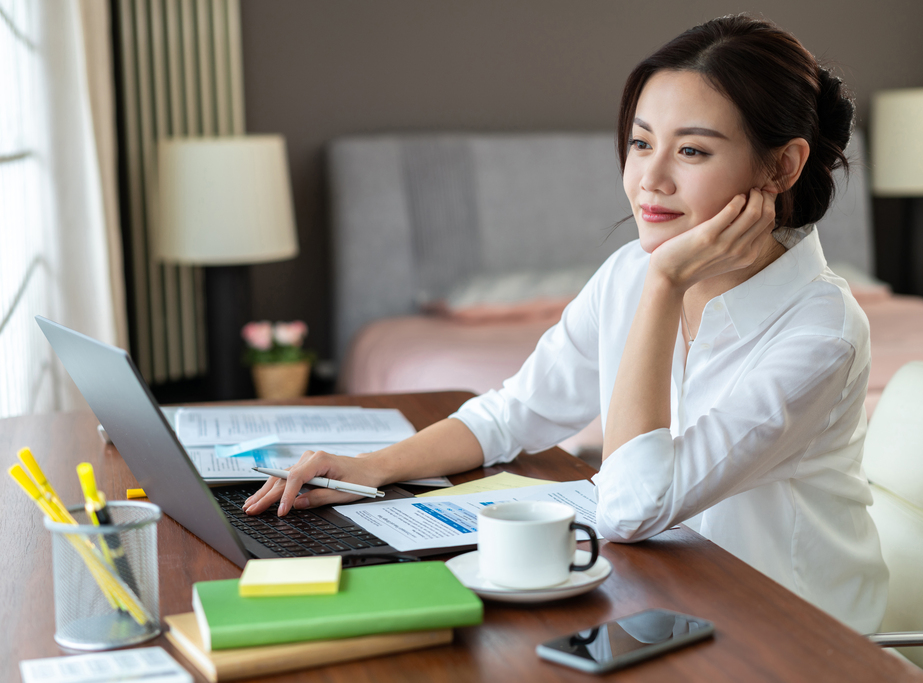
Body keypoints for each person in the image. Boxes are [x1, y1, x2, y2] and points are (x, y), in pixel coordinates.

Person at [244, 15, 888, 633]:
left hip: (790, 637)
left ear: (781, 166)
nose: (649, 180)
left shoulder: (820, 334)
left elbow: (633, 508)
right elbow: (514, 413)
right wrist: (371, 468)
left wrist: (665, 286)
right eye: (640, 143)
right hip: (664, 598)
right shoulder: (629, 273)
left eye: (691, 150)